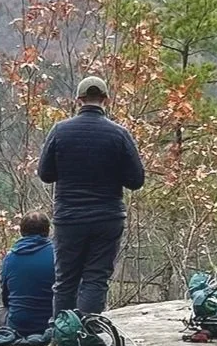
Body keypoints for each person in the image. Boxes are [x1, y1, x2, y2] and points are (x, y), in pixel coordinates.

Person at [36, 75, 146, 318]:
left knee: (66, 280)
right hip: (107, 217)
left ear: (78, 100)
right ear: (106, 99)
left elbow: (45, 174)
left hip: (69, 217)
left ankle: (61, 340)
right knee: (96, 279)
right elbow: (136, 180)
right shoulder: (119, 135)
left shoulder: (60, 131)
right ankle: (87, 337)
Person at [0, 212, 56, 337]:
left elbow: (6, 299)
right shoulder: (59, 256)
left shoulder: (10, 258)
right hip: (52, 323)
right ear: (47, 231)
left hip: (18, 325)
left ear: (21, 231)